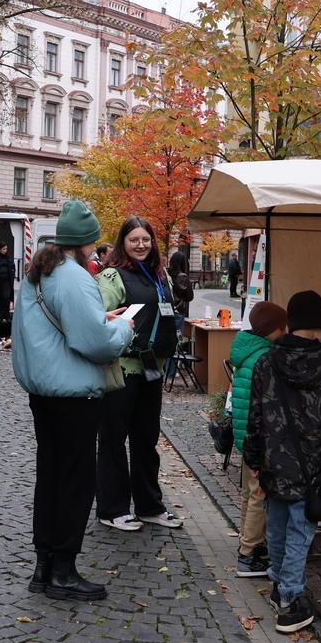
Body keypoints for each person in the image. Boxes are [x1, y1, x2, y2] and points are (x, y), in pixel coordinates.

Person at [11, 199, 134, 600]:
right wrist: (124, 328)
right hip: (74, 397)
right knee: (76, 482)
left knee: (49, 477)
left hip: (42, 393)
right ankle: (64, 570)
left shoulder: (36, 275)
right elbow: (95, 343)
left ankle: (44, 565)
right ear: (85, 242)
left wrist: (102, 321)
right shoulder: (77, 278)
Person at [243, 290, 321, 634]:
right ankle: (290, 601)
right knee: (300, 533)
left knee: (279, 527)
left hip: (273, 463)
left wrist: (253, 459)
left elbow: (255, 418)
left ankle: (278, 587)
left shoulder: (265, 362)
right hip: (311, 466)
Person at [95, 217, 182, 532]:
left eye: (146, 239)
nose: (141, 245)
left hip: (151, 370)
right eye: (134, 240)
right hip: (121, 371)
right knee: (114, 440)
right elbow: (98, 319)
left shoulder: (161, 276)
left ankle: (149, 506)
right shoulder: (112, 276)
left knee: (147, 439)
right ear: (123, 243)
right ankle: (112, 508)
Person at [228, 301, 288, 577]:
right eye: (282, 328)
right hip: (259, 437)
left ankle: (247, 542)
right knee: (258, 494)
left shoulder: (246, 351)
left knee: (248, 492)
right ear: (272, 330)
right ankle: (249, 554)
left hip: (244, 434)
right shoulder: (264, 358)